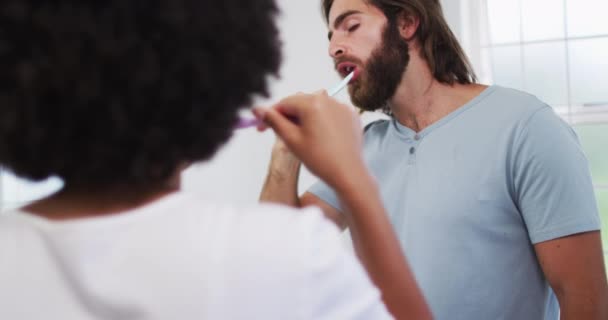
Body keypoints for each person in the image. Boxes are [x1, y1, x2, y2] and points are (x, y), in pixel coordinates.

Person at [0, 0, 433, 319]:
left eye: (350, 26)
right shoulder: (281, 254)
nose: (335, 47)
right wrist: (354, 177)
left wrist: (285, 155)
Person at [259, 0, 608, 319]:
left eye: (350, 26)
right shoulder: (361, 150)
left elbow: (586, 301)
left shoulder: (527, 127)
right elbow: (280, 254)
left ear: (407, 22)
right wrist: (285, 151)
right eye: (331, 35)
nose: (334, 47)